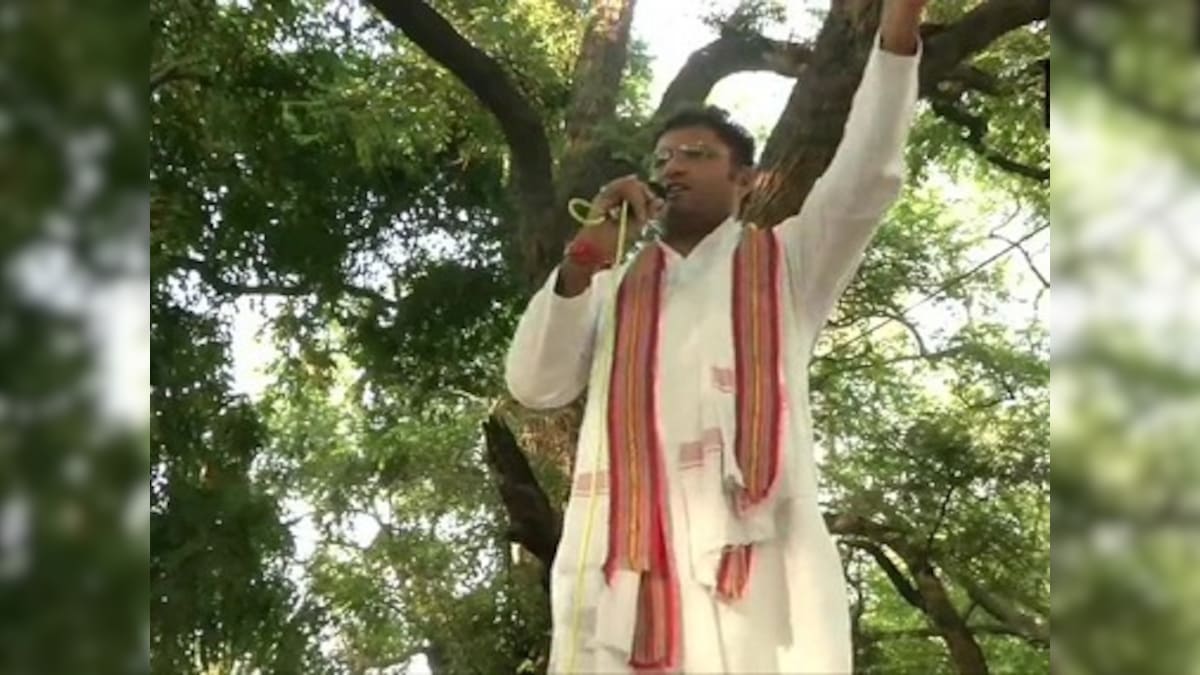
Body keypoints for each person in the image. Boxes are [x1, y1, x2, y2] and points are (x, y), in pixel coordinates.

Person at [505, 2, 925, 672]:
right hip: (624, 588)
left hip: (761, 595)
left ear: (747, 180)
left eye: (697, 155)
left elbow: (866, 176)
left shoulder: (790, 263)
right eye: (663, 157)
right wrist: (582, 260)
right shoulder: (609, 290)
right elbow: (535, 383)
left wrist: (898, 33)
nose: (673, 167)